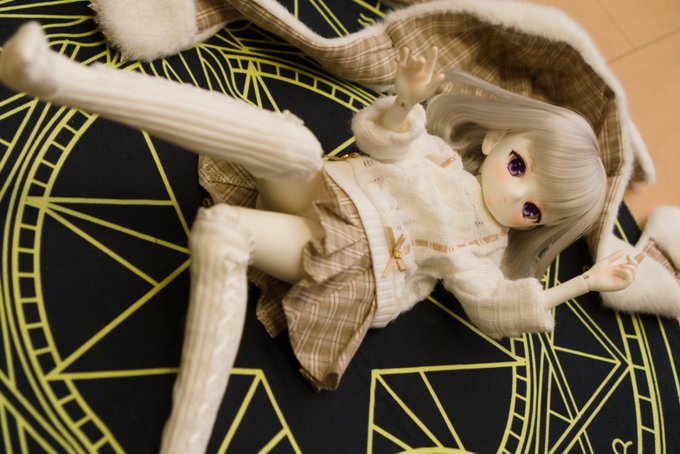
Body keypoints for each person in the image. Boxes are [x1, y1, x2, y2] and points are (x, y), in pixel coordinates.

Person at [0, 22, 641, 454]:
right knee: (291, 142)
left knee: (223, 232)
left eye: (533, 211)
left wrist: (583, 282)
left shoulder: (482, 251)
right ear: (498, 137)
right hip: (325, 194)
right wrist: (403, 101)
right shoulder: (440, 155)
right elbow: (380, 141)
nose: (513, 198)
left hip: (350, 263)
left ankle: (184, 440)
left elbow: (494, 306)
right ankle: (58, 78)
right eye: (519, 167)